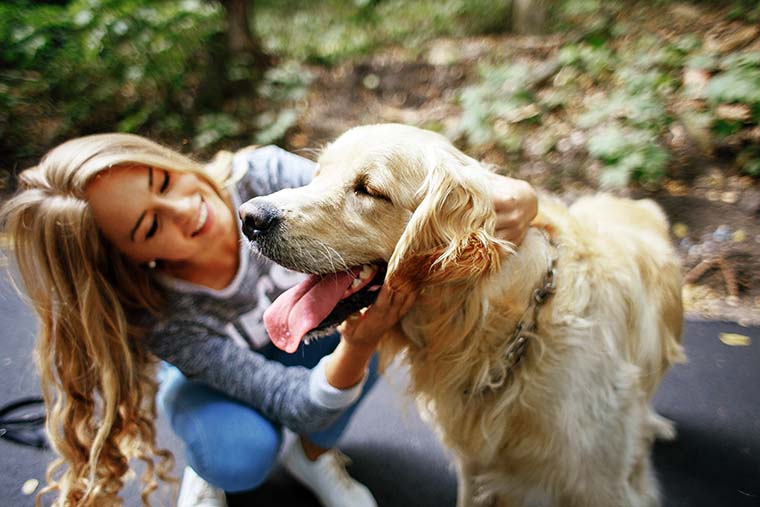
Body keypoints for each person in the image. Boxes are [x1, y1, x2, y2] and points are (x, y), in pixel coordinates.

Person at [0, 133, 537, 507]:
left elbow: (389, 196)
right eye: (148, 227)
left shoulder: (264, 175)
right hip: (225, 383)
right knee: (239, 454)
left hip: (304, 343)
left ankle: (314, 456)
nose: (188, 211)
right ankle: (204, 466)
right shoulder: (160, 312)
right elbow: (293, 402)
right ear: (127, 259)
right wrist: (357, 344)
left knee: (367, 336)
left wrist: (521, 197)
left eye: (165, 183)